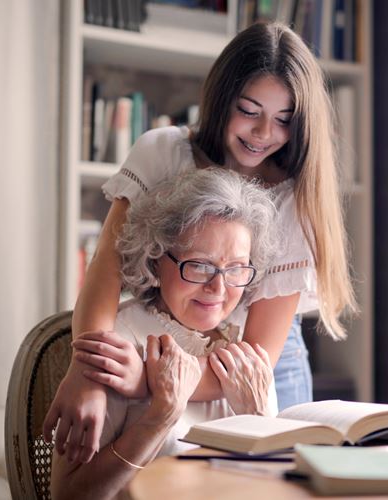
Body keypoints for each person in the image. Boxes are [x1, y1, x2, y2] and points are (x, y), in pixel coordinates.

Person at [44, 21, 357, 463]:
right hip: (163, 339)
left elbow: (258, 355)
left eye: (284, 120)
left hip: (259, 363)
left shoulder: (293, 198)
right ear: (221, 99)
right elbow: (105, 273)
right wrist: (88, 373)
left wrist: (145, 381)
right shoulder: (163, 153)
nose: (264, 133)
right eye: (249, 110)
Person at [51, 168, 277, 500]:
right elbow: (68, 495)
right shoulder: (117, 343)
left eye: (236, 269)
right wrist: (159, 418)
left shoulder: (246, 356)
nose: (218, 287)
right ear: (156, 259)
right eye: (200, 265)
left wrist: (258, 420)